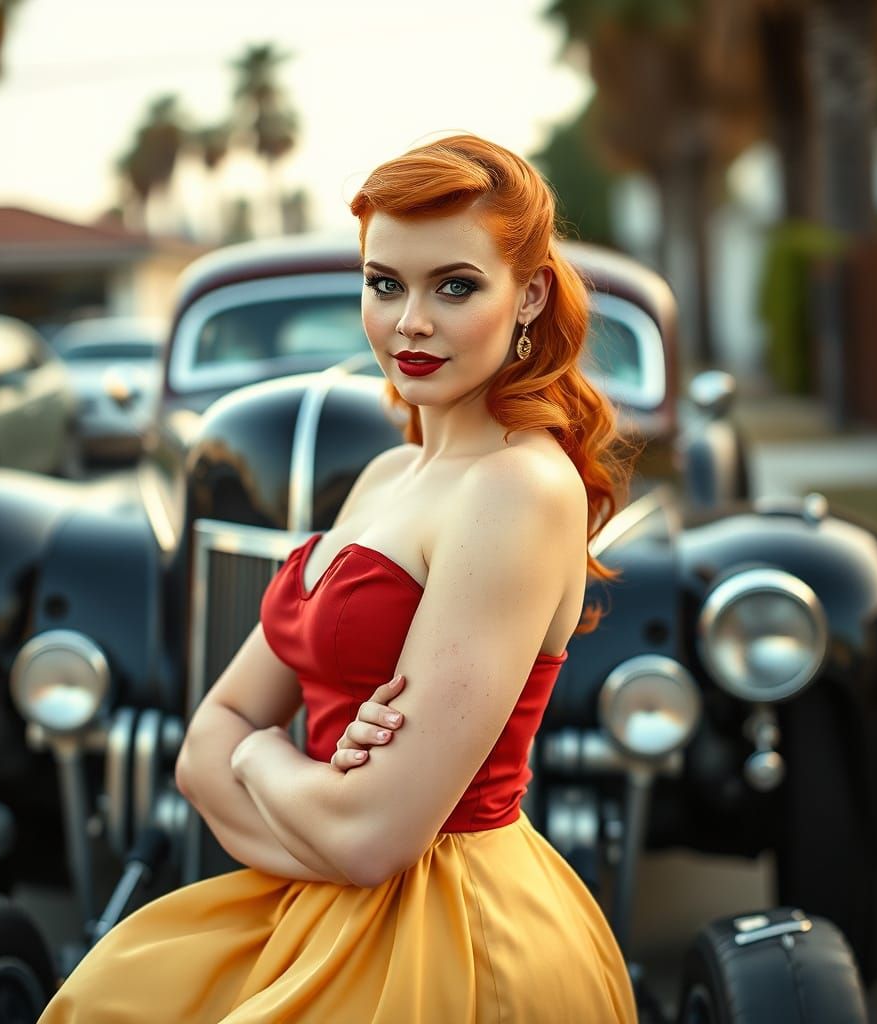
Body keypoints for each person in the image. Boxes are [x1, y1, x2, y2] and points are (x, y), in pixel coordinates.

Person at [39, 134, 638, 1023]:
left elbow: (367, 833)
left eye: (456, 286)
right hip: (310, 906)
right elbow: (202, 747)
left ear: (531, 295)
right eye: (384, 283)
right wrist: (299, 784)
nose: (410, 323)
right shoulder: (386, 478)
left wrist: (261, 761)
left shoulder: (520, 485)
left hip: (454, 940)